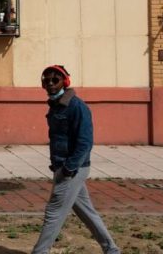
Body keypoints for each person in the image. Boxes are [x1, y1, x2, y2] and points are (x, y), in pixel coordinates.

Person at [32, 65, 121, 254]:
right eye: (46, 80)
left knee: (54, 212)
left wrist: (68, 169)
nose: (50, 84)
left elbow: (85, 142)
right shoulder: (55, 106)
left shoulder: (77, 107)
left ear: (65, 82)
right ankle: (111, 249)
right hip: (63, 166)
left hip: (72, 169)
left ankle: (40, 252)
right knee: (86, 212)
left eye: (55, 80)